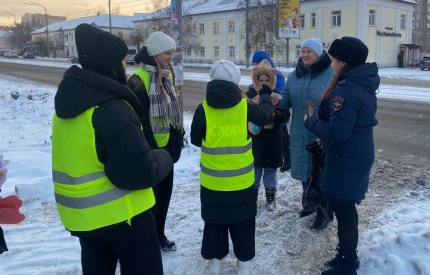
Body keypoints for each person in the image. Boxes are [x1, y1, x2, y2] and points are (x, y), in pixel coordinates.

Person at [52, 23, 173, 275]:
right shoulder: (111, 108)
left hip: (84, 217)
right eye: (122, 61)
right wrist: (164, 156)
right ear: (110, 65)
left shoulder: (72, 104)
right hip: (122, 215)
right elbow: (139, 172)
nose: (125, 66)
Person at [190, 60, 275, 275]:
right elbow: (267, 118)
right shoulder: (245, 107)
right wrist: (265, 96)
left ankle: (215, 263)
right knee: (243, 222)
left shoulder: (203, 109)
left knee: (214, 222)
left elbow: (195, 139)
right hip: (242, 181)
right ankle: (244, 264)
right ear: (235, 81)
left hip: (212, 182)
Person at [304, 36, 379, 275]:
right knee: (346, 210)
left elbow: (338, 132)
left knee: (344, 212)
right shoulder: (359, 83)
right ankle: (346, 256)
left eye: (334, 57)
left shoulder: (346, 90)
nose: (332, 60)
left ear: (343, 61)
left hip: (345, 158)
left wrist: (311, 122)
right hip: (354, 155)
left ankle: (346, 264)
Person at [128, 31, 184, 252]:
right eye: (167, 53)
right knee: (149, 200)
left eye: (172, 52)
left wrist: (175, 137)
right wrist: (150, 146)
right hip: (149, 150)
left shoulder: (165, 74)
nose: (171, 56)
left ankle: (159, 235)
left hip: (166, 148)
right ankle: (148, 240)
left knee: (164, 198)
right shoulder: (138, 79)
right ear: (155, 53)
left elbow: (171, 110)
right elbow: (139, 118)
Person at [278, 38, 333, 231]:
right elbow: (286, 98)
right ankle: (309, 205)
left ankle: (324, 212)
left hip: (322, 132)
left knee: (320, 174)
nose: (305, 54)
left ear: (319, 53)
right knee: (304, 171)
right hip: (300, 132)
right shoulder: (295, 75)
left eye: (309, 51)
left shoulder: (331, 73)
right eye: (303, 51)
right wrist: (277, 100)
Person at [246, 60, 290, 210]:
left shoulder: (277, 95)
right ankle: (253, 198)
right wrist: (250, 125)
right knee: (255, 172)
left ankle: (271, 198)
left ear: (272, 80)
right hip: (256, 142)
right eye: (261, 80)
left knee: (270, 173)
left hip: (272, 141)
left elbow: (285, 115)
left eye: (267, 80)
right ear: (256, 80)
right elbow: (244, 114)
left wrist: (274, 117)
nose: (264, 83)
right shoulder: (250, 95)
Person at [251, 51, 290, 172]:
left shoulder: (274, 76)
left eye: (257, 62)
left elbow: (280, 94)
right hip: (260, 129)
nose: (256, 65)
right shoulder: (258, 79)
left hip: (274, 113)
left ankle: (287, 161)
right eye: (255, 63)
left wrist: (270, 96)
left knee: (282, 139)